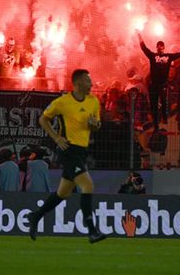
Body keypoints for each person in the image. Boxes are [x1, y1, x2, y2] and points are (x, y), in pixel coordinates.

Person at [27, 69, 108, 243]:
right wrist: (56, 137)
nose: (91, 84)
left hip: (82, 151)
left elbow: (97, 125)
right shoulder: (63, 102)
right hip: (68, 150)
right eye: (88, 81)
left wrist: (95, 125)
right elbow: (43, 119)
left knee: (63, 193)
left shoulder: (93, 101)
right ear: (78, 84)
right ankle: (92, 231)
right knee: (88, 186)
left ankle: (36, 216)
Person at [138, 36, 180, 126]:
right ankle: (155, 121)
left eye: (162, 46)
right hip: (153, 84)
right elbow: (144, 48)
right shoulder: (153, 56)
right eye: (158, 46)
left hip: (163, 84)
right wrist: (140, 37)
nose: (160, 47)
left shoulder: (168, 56)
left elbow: (178, 54)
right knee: (154, 103)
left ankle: (164, 118)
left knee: (164, 101)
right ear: (156, 47)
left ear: (164, 47)